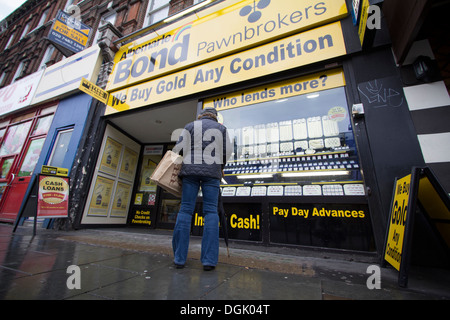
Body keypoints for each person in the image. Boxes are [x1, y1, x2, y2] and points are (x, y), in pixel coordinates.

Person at [172, 107, 231, 271]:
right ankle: (209, 261)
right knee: (211, 212)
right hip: (212, 173)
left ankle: (179, 258)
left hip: (190, 171)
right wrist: (220, 167)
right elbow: (226, 152)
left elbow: (178, 149)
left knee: (185, 210)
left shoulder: (190, 126)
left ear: (201, 115)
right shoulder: (222, 128)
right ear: (215, 117)